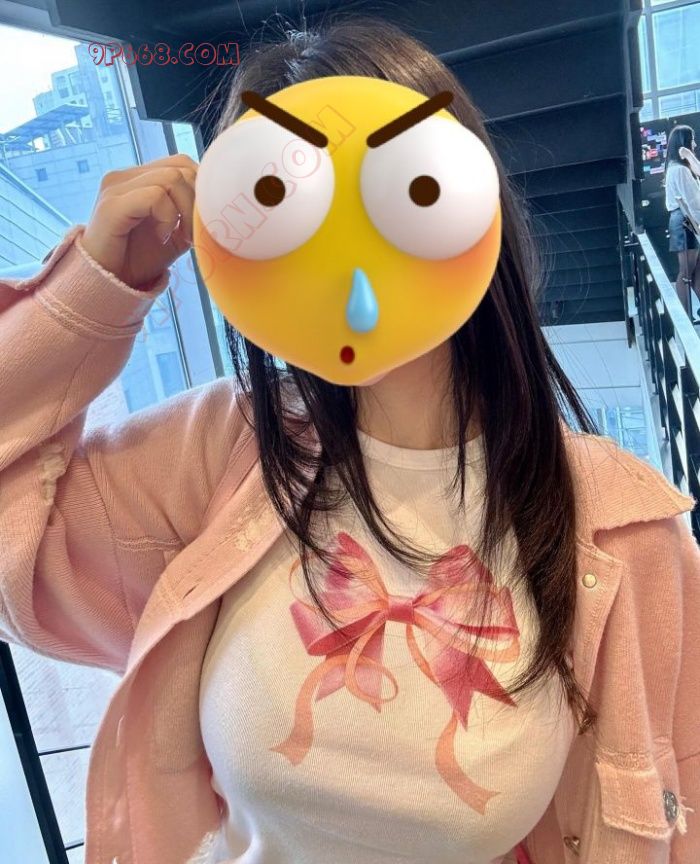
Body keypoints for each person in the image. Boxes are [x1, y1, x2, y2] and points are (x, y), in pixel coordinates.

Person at [0, 16, 698, 864]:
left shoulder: (625, 533)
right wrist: (91, 296)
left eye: (406, 193)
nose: (352, 263)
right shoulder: (216, 450)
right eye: (284, 206)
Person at [663, 123, 700, 322]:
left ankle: (688, 317)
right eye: (691, 140)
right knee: (686, 273)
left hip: (684, 220)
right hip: (686, 221)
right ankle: (685, 319)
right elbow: (693, 202)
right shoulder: (680, 170)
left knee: (694, 272)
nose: (695, 144)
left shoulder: (676, 168)